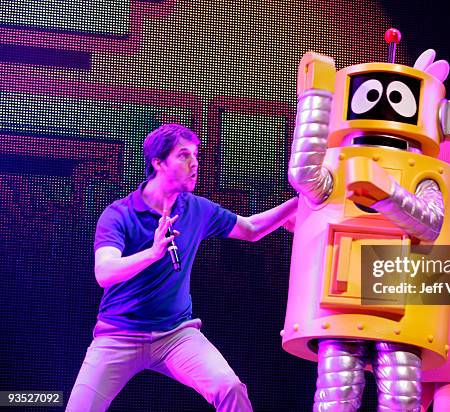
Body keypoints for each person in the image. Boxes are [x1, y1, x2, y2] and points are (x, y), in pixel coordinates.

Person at [66, 124, 297, 411]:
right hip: (118, 335)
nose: (194, 163)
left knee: (230, 388)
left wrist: (299, 203)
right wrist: (152, 253)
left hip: (175, 335)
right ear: (158, 163)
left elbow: (250, 229)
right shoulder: (119, 214)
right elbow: (105, 272)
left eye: (196, 155)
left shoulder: (197, 209)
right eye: (183, 155)